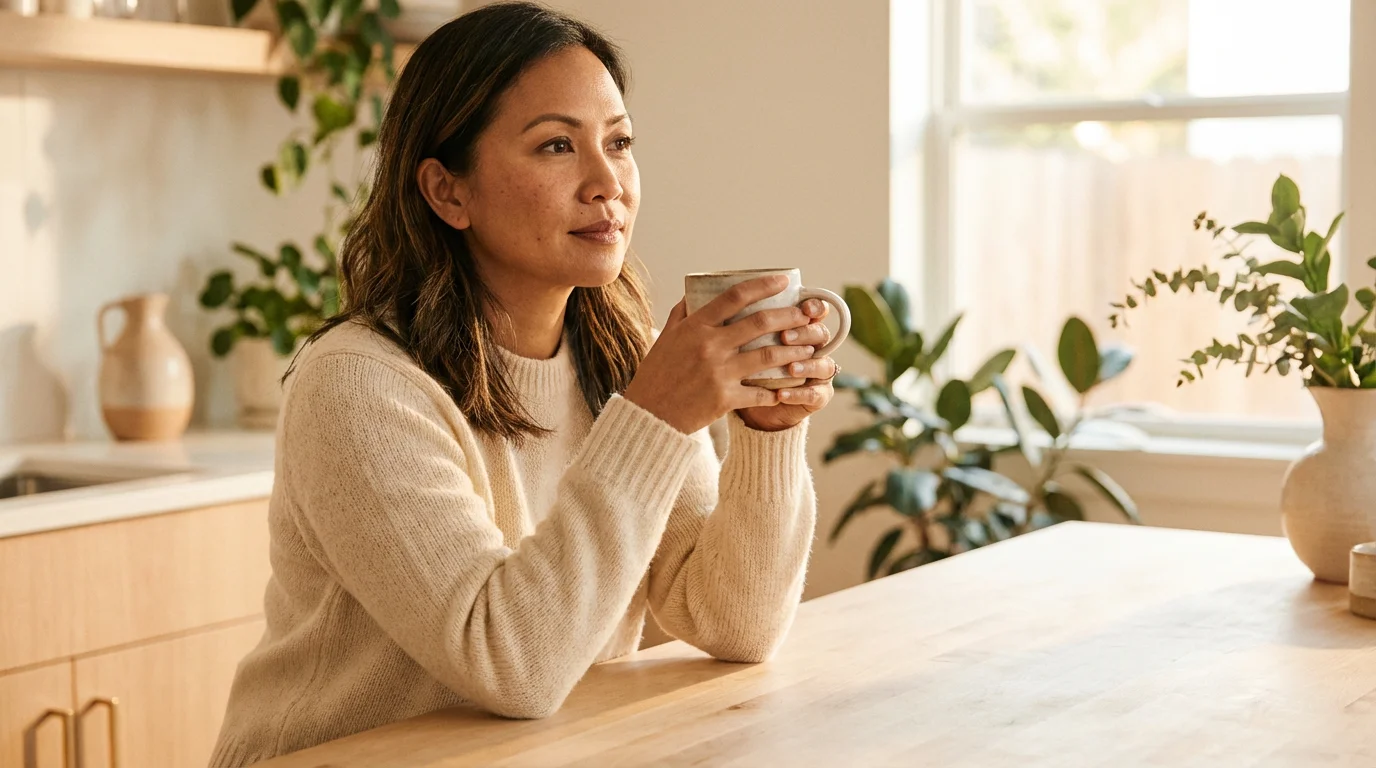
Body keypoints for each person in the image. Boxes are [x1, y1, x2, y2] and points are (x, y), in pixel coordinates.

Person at [209, 2, 839, 764]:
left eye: (620, 142)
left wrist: (768, 433)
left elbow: (733, 623)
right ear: (448, 192)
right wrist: (656, 416)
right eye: (556, 146)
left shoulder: (619, 355)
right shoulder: (357, 385)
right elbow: (509, 663)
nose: (607, 183)